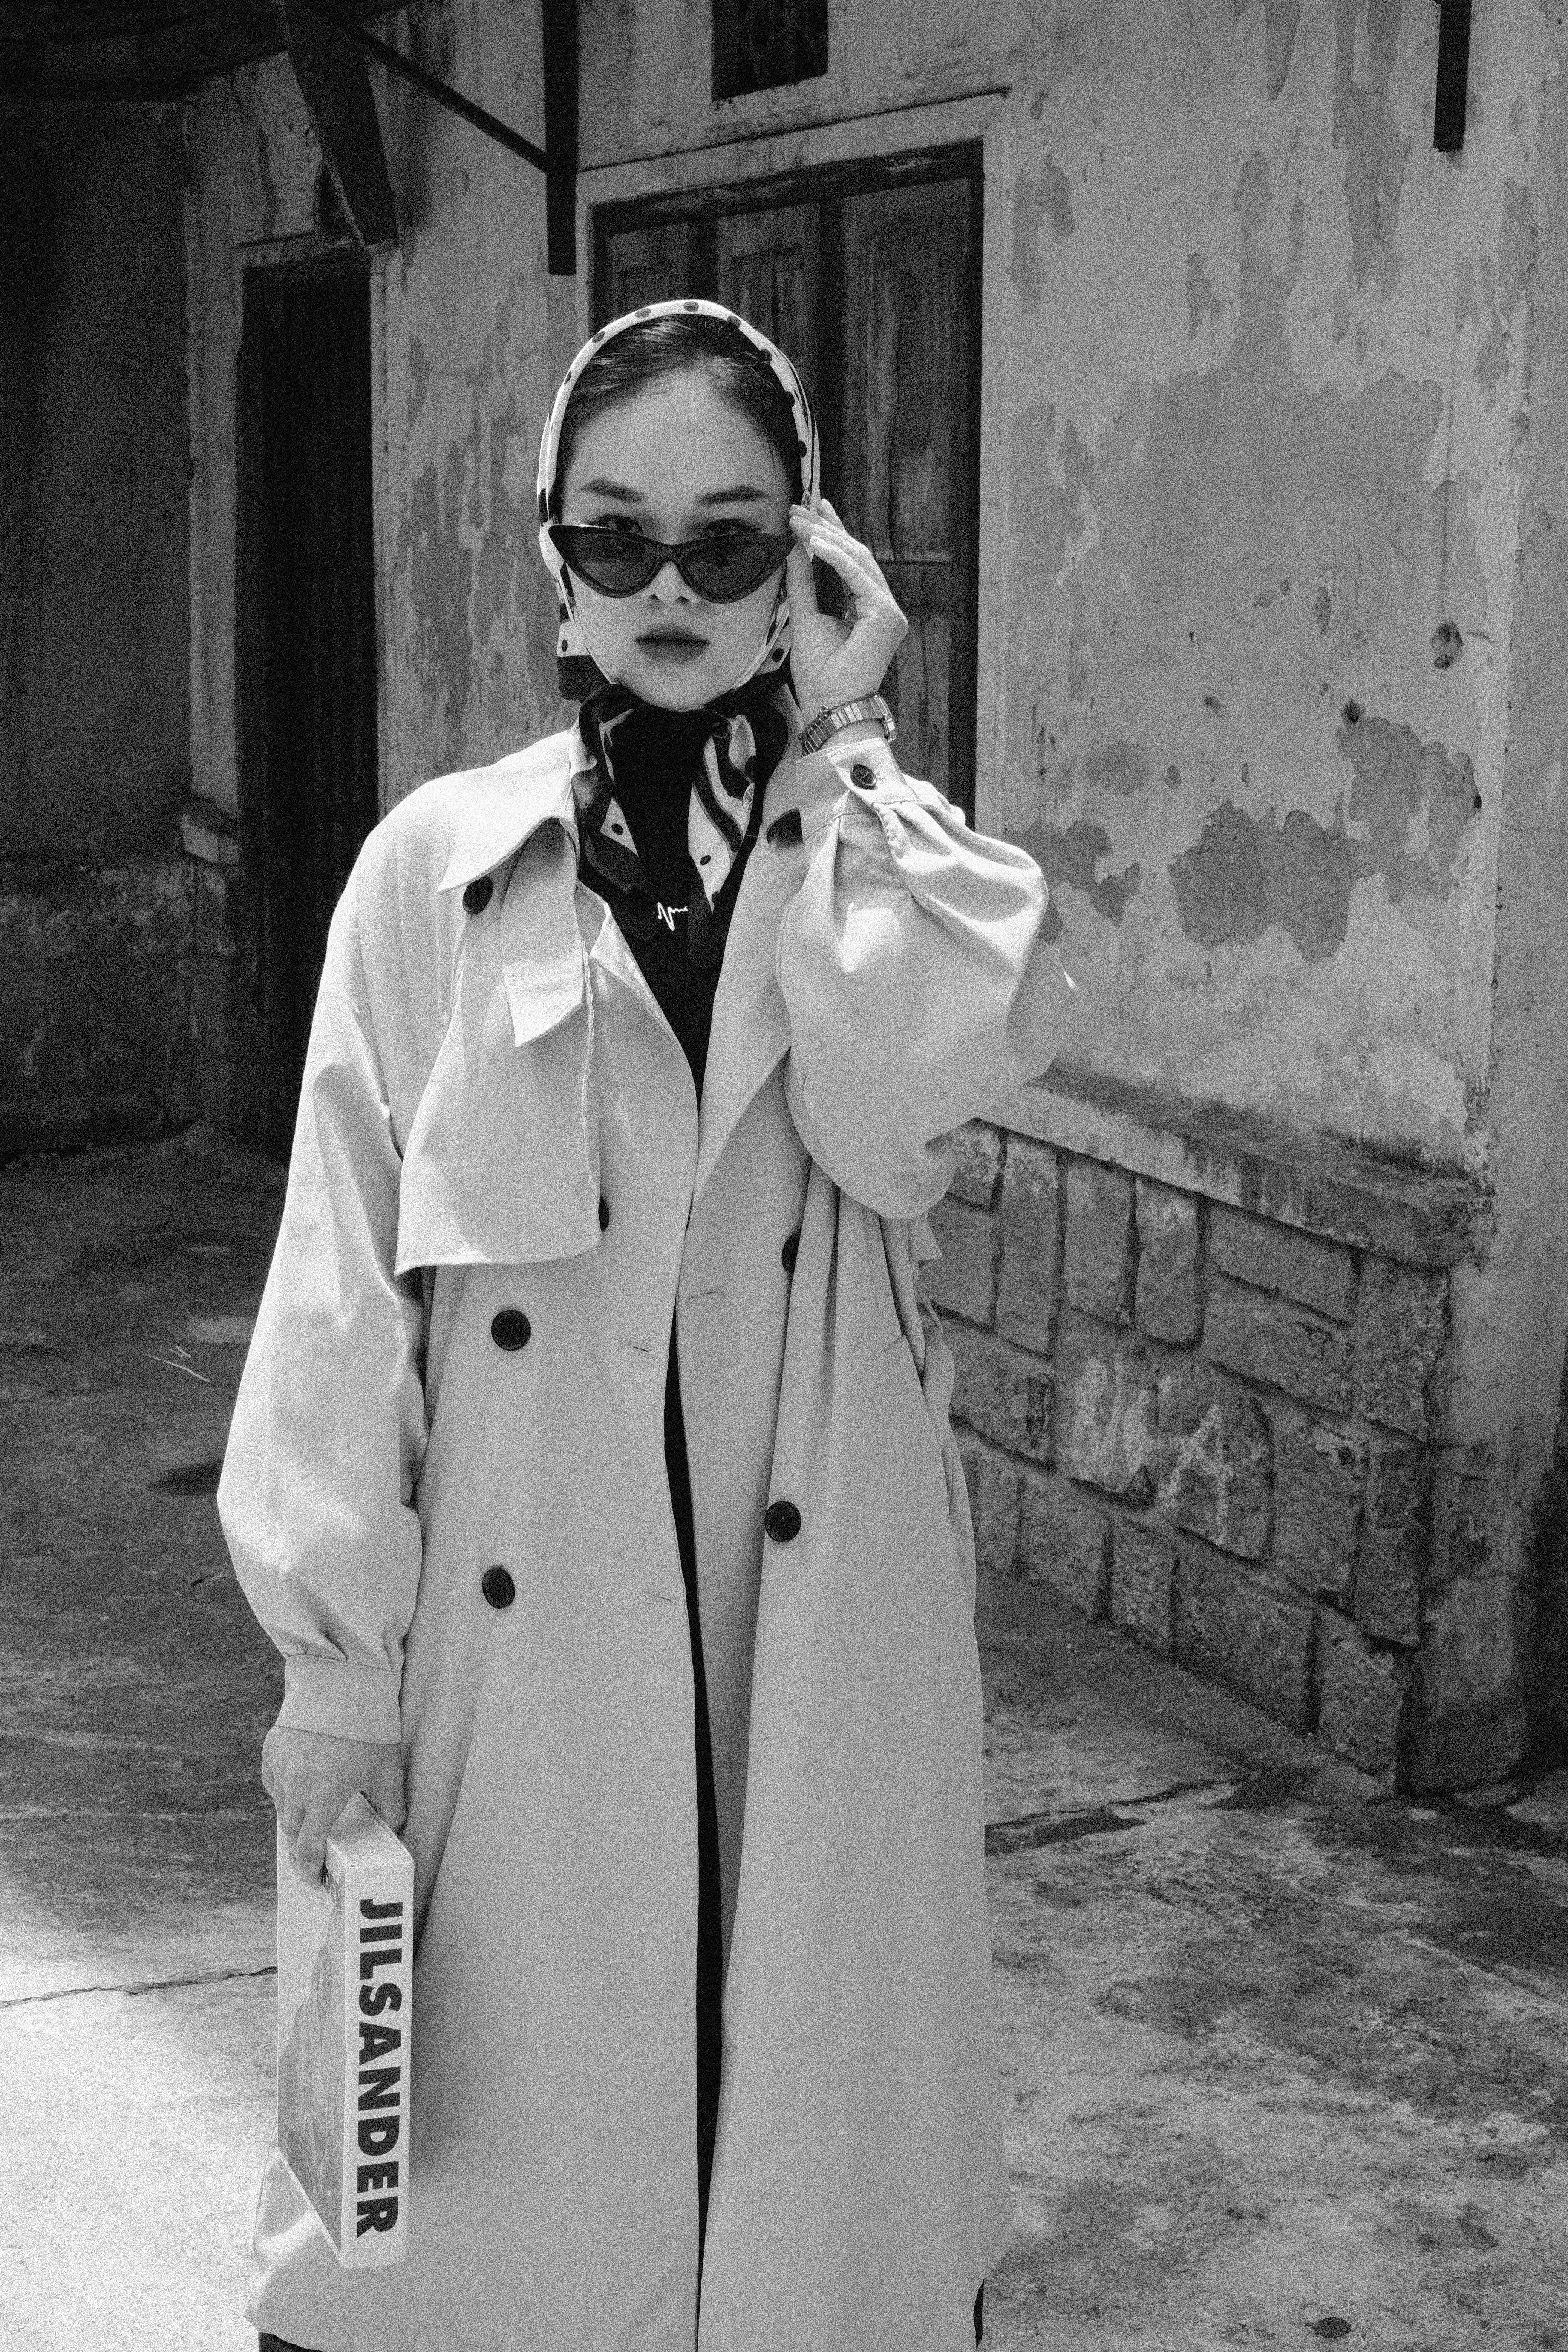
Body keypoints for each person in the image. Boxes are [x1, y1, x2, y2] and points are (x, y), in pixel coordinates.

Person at [220, 297, 1074, 2352]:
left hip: (813, 1632)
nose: (671, 589)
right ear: (550, 555)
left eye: (730, 541)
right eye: (617, 540)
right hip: (525, 1663)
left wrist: (855, 738)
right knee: (510, 2176)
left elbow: (907, 1092)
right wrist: (336, 1668)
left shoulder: (870, 857)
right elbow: (342, 1282)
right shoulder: (435, 865)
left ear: (810, 559)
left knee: (803, 2156)